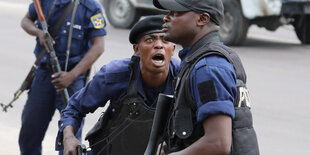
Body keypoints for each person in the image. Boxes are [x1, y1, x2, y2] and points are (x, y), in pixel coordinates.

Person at [56, 15, 180, 155]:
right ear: (137, 49)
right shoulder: (114, 75)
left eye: (165, 40)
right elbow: (74, 107)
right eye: (149, 39)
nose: (158, 45)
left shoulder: (184, 77)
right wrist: (68, 137)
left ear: (173, 49)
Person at [152, 0, 249, 154]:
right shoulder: (202, 60)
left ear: (202, 19)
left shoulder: (208, 68)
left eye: (176, 13)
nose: (166, 18)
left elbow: (217, 143)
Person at [19, 0, 106, 154]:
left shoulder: (91, 7)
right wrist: (38, 32)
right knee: (29, 133)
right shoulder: (44, 2)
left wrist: (72, 75)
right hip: (44, 75)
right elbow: (26, 20)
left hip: (72, 79)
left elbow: (98, 46)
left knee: (70, 138)